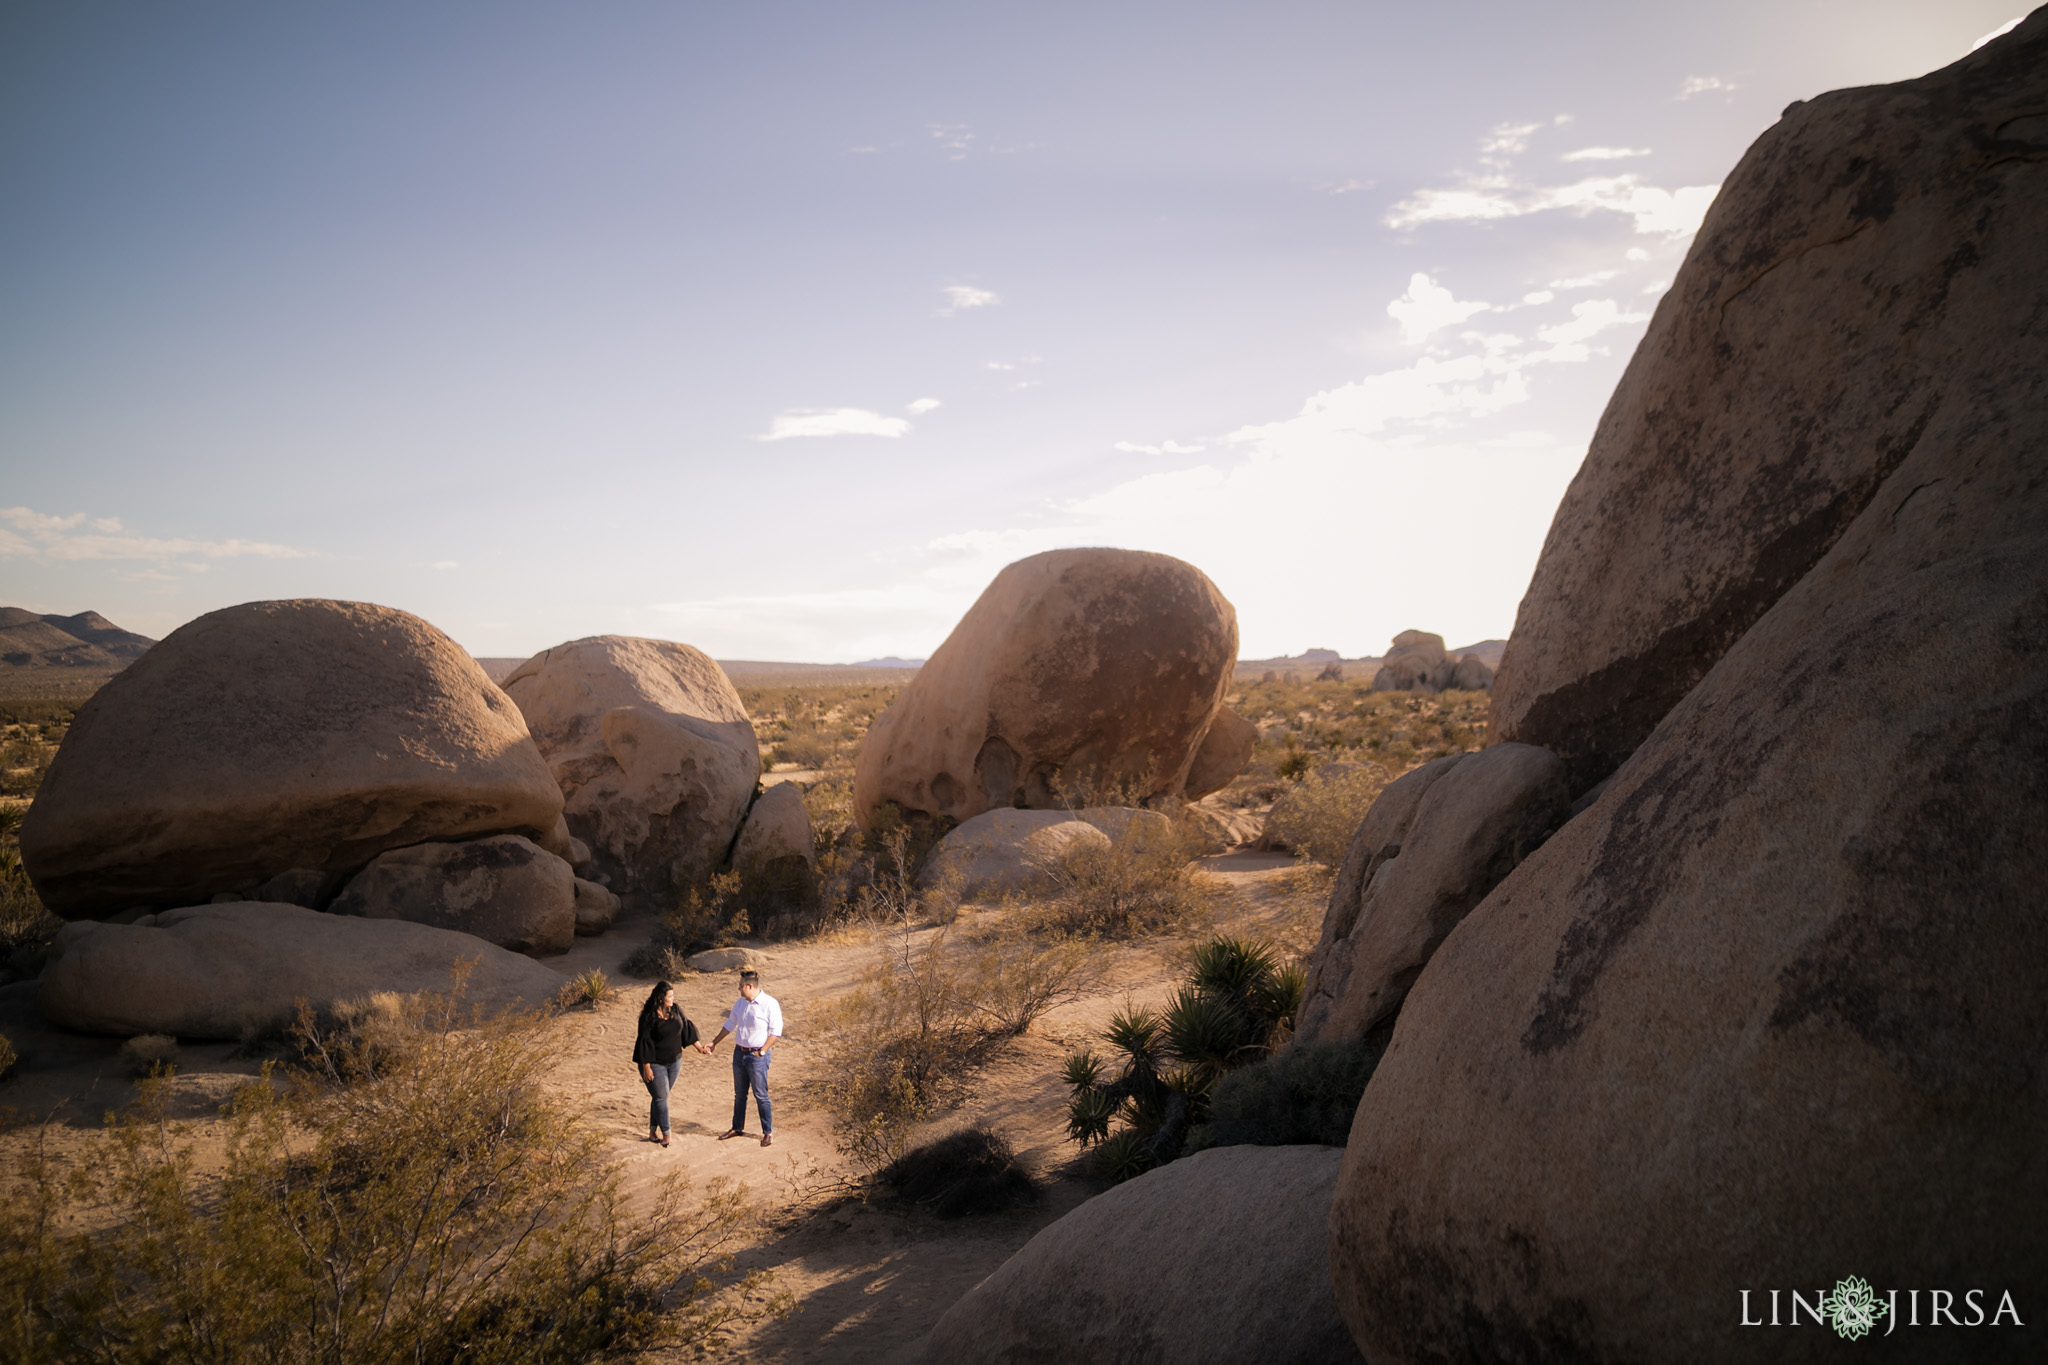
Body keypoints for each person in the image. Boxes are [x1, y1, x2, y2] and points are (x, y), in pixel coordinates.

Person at [707, 969, 782, 1147]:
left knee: (760, 1094)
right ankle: (737, 1127)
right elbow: (730, 1024)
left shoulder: (769, 1004)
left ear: (749, 986)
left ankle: (767, 1132)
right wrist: (714, 1042)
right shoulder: (740, 1003)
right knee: (740, 1094)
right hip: (739, 1053)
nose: (739, 989)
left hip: (757, 1056)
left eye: (741, 986)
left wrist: (763, 1051)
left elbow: (776, 1032)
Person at [632, 981, 707, 1147]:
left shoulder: (675, 1009)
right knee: (661, 1097)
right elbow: (644, 1041)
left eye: (673, 996)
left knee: (660, 1097)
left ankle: (652, 1130)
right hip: (654, 1064)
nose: (673, 999)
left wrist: (699, 1047)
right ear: (660, 998)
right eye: (669, 996)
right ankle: (667, 1135)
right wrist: (646, 1067)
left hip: (675, 1062)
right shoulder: (648, 1017)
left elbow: (686, 1027)